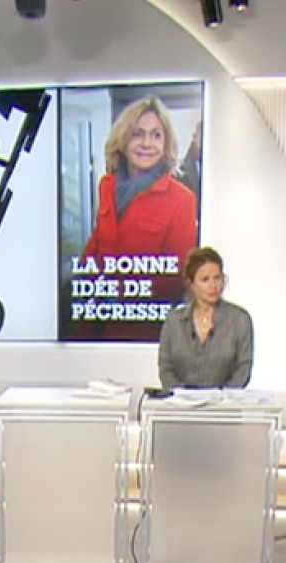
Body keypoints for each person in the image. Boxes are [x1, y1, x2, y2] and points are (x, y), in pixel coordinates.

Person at [80, 97, 199, 260]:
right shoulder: (107, 185)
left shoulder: (182, 200)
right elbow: (96, 246)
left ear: (166, 144)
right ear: (123, 139)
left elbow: (179, 270)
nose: (147, 143)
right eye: (137, 134)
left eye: (156, 135)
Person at [158, 247, 253, 389]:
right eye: (205, 280)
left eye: (217, 278)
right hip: (180, 401)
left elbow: (243, 368)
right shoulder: (174, 321)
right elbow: (166, 368)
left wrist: (221, 397)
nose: (213, 286)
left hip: (225, 401)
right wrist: (182, 396)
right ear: (191, 284)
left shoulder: (240, 320)